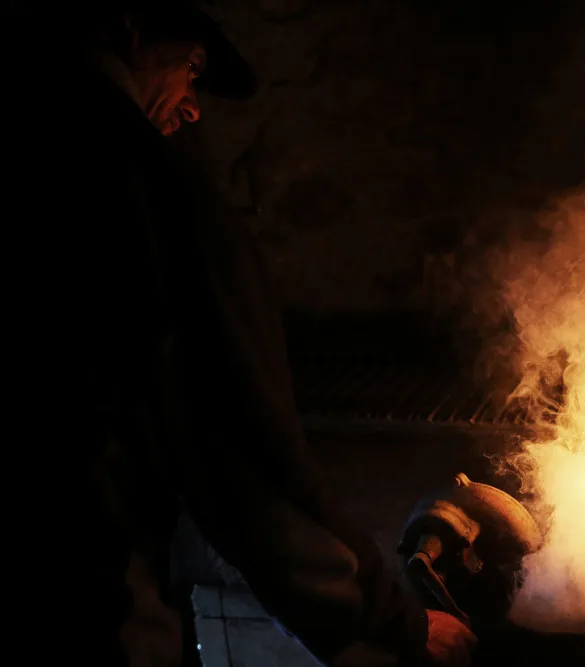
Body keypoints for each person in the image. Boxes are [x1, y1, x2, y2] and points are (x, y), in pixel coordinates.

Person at [3, 1, 476, 665]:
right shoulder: (143, 183)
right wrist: (392, 620)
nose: (193, 106)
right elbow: (250, 461)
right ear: (130, 26)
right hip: (94, 601)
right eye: (191, 70)